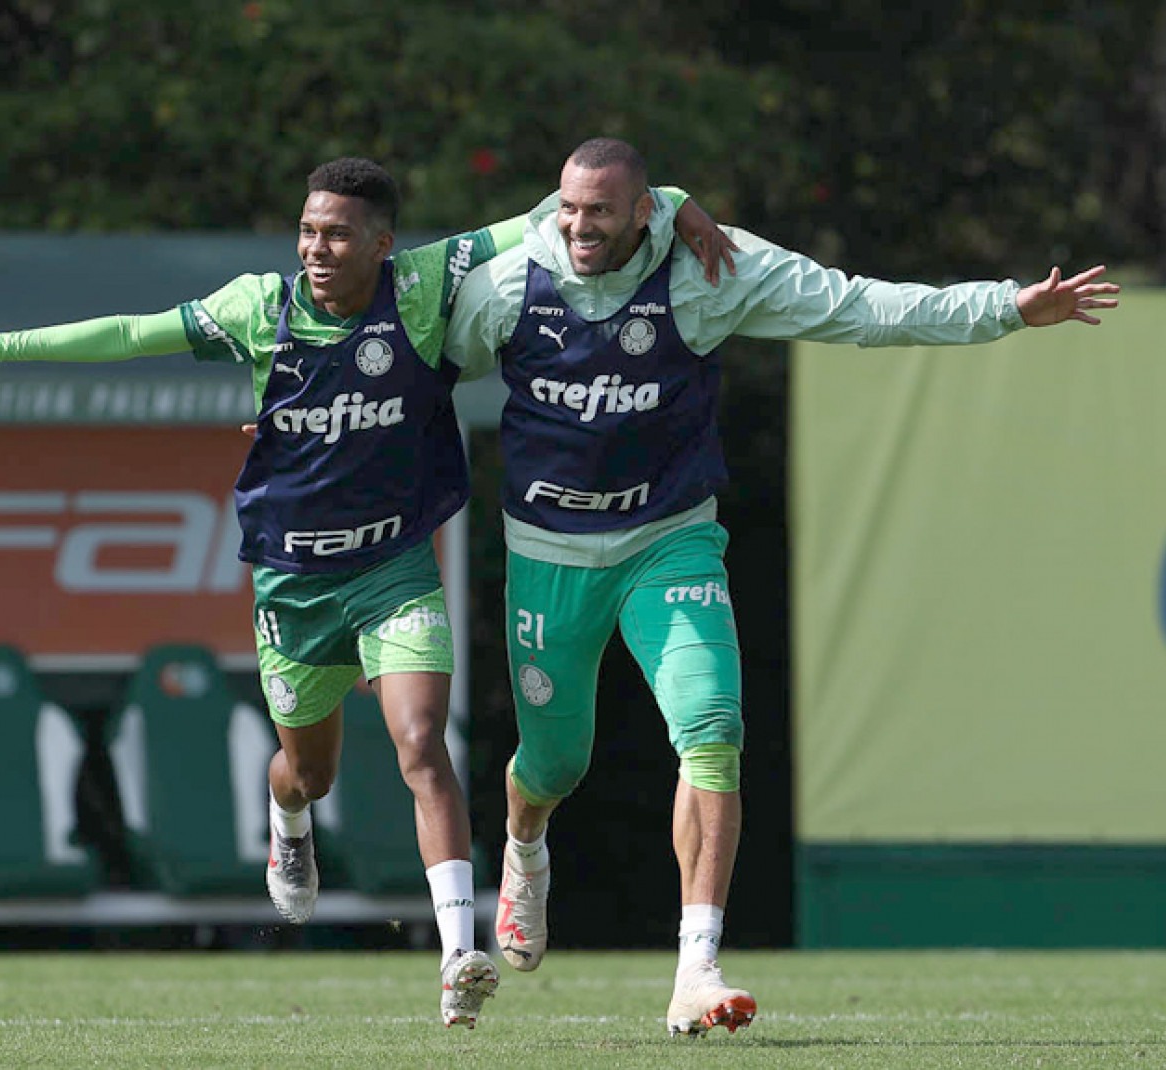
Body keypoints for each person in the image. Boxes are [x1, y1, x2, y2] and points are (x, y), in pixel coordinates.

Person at [0, 157, 733, 1029]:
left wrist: (669, 201)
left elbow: (555, 213)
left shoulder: (423, 282)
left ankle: (454, 956)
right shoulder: (261, 307)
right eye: (306, 231)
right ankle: (286, 819)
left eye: (335, 233)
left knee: (419, 743)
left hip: (395, 566)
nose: (315, 249)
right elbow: (137, 333)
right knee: (311, 771)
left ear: (381, 242)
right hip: (295, 584)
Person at [447, 137, 1120, 1037]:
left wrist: (1005, 307)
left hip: (668, 542)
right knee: (553, 765)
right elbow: (415, 362)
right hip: (548, 551)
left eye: (598, 212)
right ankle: (524, 848)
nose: (578, 227)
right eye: (566, 208)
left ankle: (697, 965)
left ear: (642, 211)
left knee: (712, 729)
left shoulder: (712, 269)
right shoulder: (505, 285)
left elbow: (857, 307)